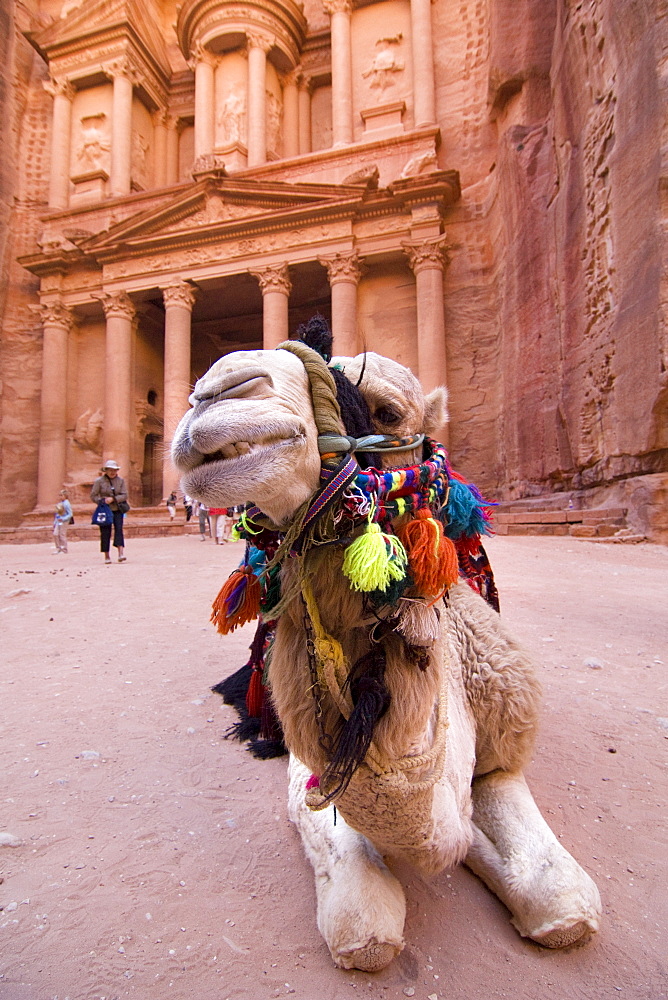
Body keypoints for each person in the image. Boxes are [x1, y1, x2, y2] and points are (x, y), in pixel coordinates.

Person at [91, 460, 128, 564]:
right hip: (105, 510)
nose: (112, 472)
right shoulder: (99, 481)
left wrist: (113, 499)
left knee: (119, 530)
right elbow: (93, 495)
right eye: (110, 470)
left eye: (114, 470)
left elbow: (124, 495)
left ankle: (121, 553)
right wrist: (102, 501)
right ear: (106, 470)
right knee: (105, 532)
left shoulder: (120, 481)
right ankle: (107, 555)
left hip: (117, 508)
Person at [52, 488, 73, 553]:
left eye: (62, 495)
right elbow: (57, 513)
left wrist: (64, 519)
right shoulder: (60, 503)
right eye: (60, 495)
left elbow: (70, 514)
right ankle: (58, 548)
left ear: (65, 496)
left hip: (64, 521)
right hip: (59, 521)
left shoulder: (67, 504)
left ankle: (64, 549)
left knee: (62, 534)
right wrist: (55, 522)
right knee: (55, 534)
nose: (60, 497)